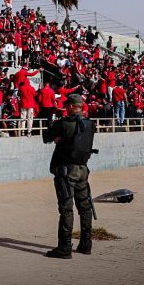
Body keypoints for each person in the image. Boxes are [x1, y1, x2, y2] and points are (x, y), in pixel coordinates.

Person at [42, 94, 96, 259]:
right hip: (83, 169)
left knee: (66, 208)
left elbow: (46, 137)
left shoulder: (64, 123)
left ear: (73, 106)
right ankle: (86, 244)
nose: (65, 107)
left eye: (67, 105)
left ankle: (65, 247)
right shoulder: (89, 124)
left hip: (66, 170)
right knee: (85, 208)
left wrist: (58, 136)